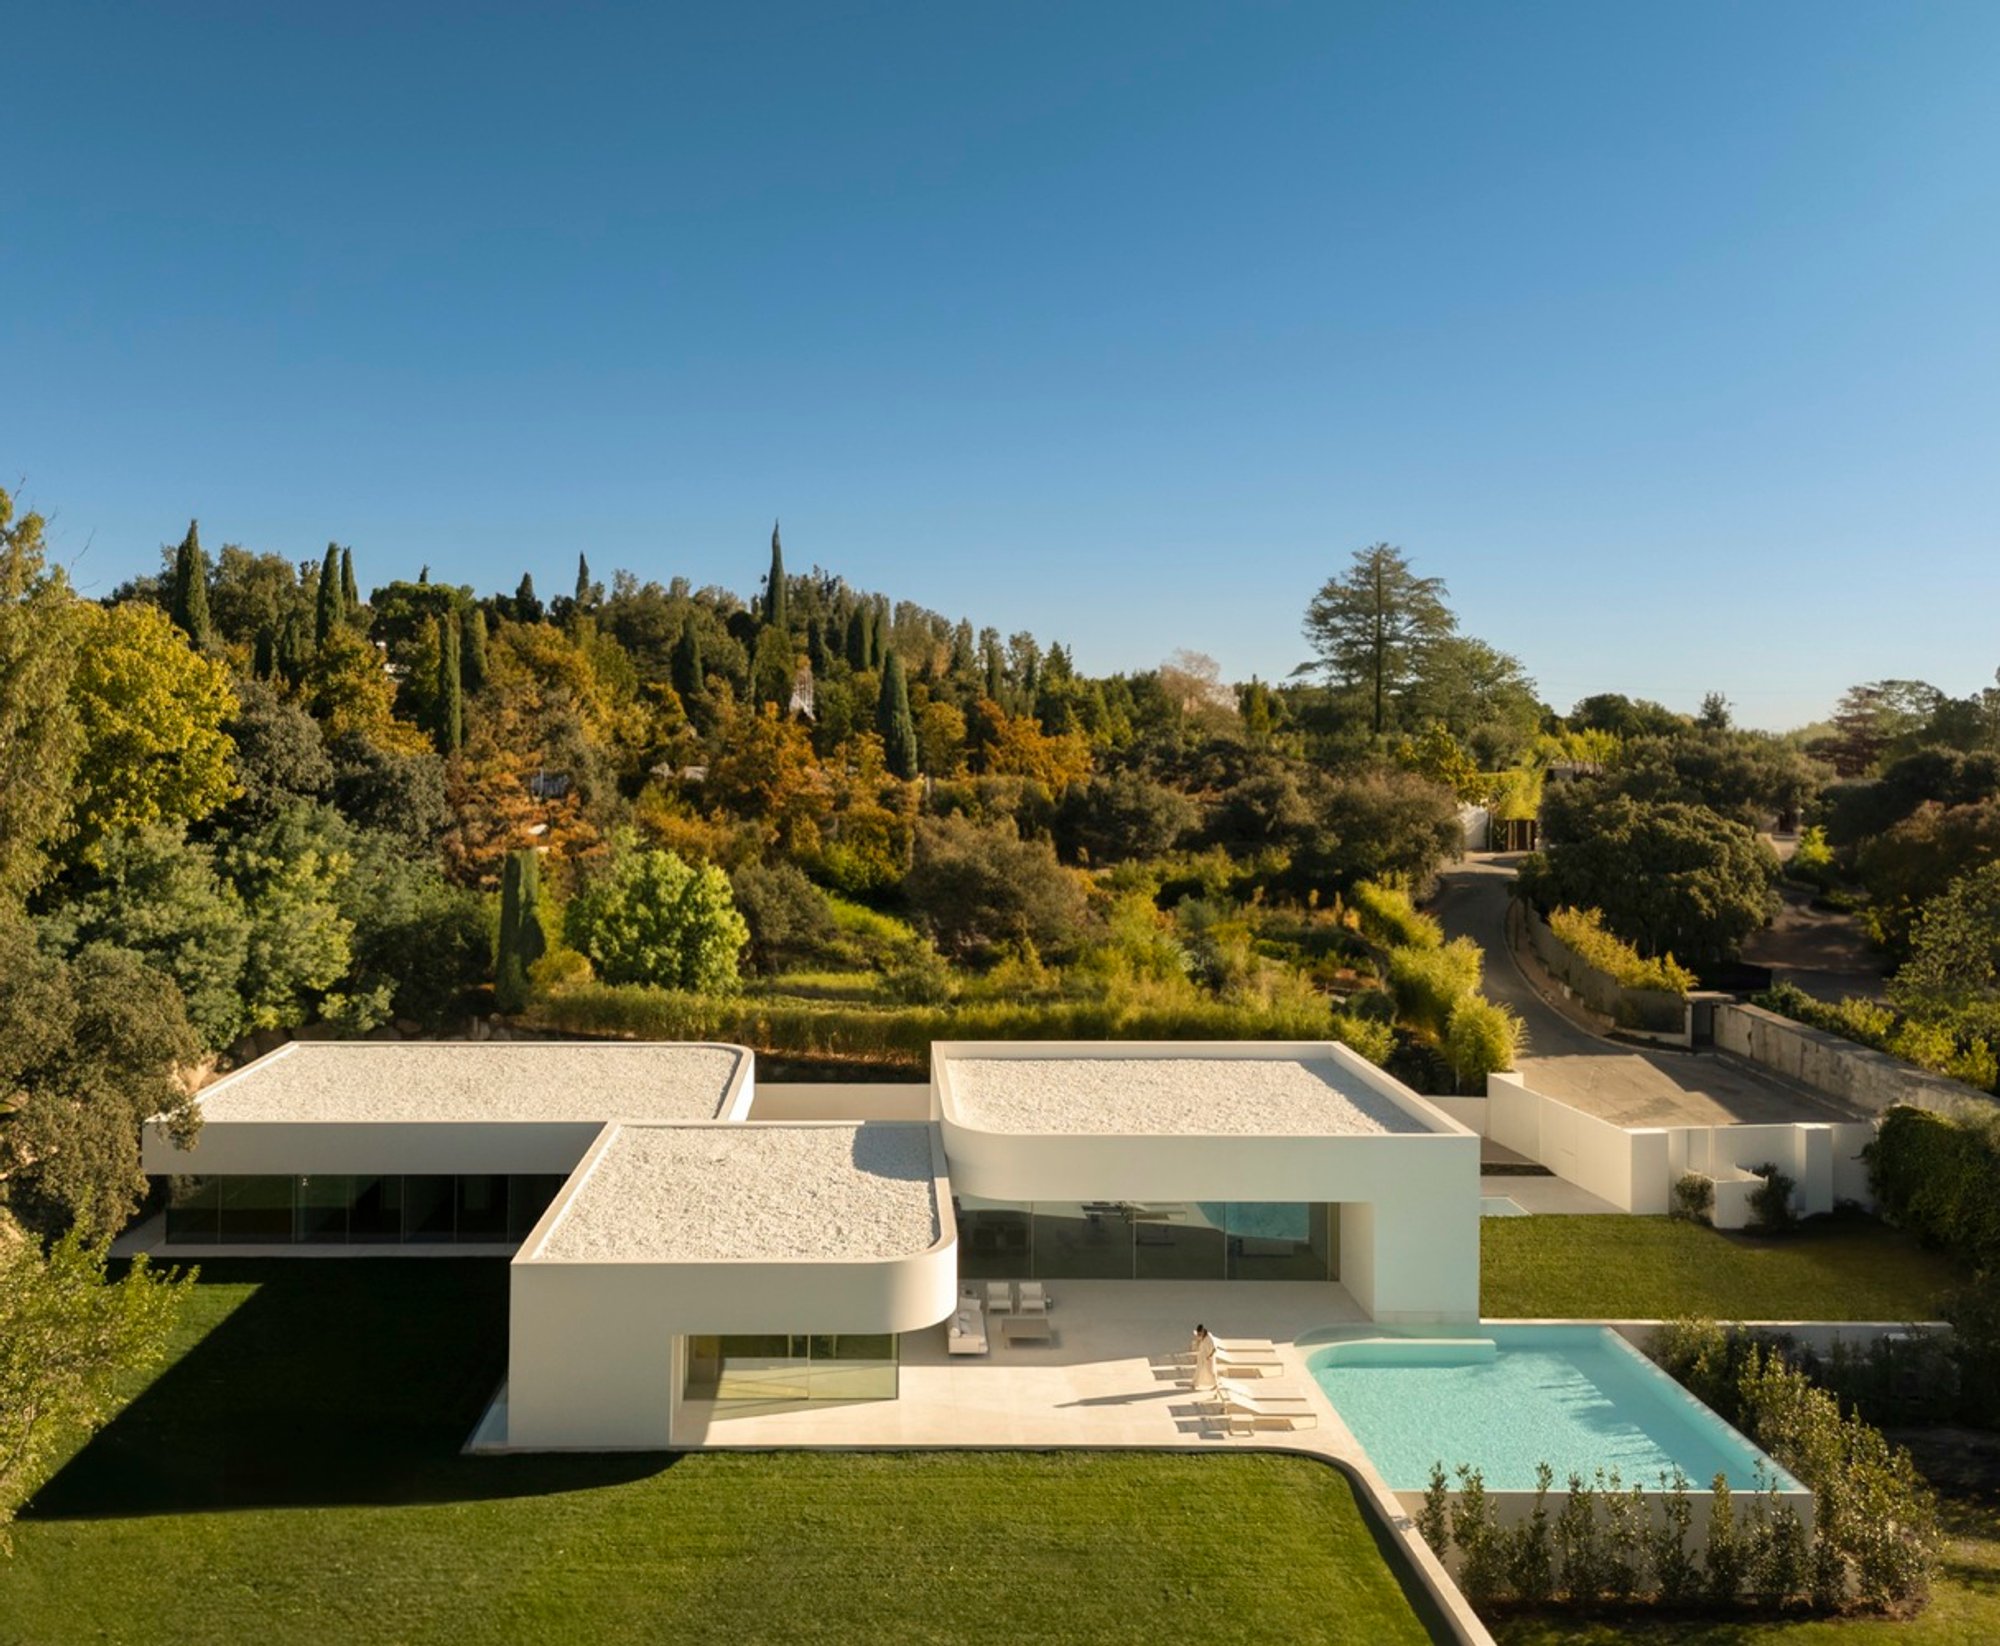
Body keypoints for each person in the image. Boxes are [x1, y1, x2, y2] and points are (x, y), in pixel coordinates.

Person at [1190, 1323, 1217, 1391]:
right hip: (1201, 1356)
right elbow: (1198, 1339)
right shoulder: (1202, 1335)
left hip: (1208, 1357)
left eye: (1200, 1333)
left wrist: (1209, 1356)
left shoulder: (1209, 1338)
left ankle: (1215, 1384)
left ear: (1202, 1331)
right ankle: (1194, 1383)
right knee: (1198, 1369)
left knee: (1210, 1371)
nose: (1199, 1335)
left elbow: (1214, 1349)